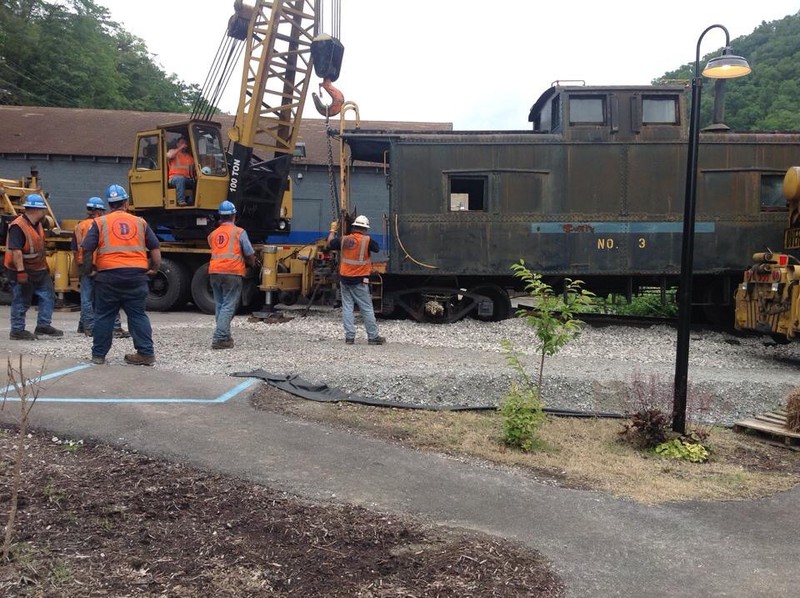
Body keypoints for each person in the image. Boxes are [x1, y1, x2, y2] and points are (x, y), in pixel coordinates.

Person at [81, 184, 161, 365]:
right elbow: (155, 248)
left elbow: (86, 249)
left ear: (109, 204)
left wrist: (89, 270)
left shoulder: (100, 222)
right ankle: (146, 354)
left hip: (108, 278)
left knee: (104, 316)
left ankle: (99, 355)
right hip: (136, 277)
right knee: (138, 315)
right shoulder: (140, 222)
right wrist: (154, 269)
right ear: (126, 202)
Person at [4, 194, 63, 340]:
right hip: (22, 270)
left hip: (38, 269)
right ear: (36, 209)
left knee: (48, 296)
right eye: (43, 209)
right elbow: (16, 251)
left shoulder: (37, 224)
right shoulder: (18, 226)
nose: (45, 212)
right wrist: (21, 271)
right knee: (22, 300)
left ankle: (43, 325)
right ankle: (17, 330)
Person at [72, 197, 129, 338]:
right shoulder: (103, 224)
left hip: (85, 265)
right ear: (98, 210)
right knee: (110, 297)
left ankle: (87, 327)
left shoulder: (78, 226)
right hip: (102, 266)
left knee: (86, 298)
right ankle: (115, 327)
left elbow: (75, 250)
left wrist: (81, 266)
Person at [326, 215, 385, 345]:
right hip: (359, 280)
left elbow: (329, 243)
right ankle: (373, 337)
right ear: (365, 229)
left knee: (347, 307)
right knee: (367, 308)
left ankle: (349, 337)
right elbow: (377, 248)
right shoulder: (368, 241)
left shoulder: (344, 239)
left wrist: (332, 230)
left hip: (345, 279)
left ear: (354, 227)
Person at [207, 200, 256, 349]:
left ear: (220, 216)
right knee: (228, 305)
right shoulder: (239, 232)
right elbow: (248, 252)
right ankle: (220, 338)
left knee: (220, 305)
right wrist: (252, 264)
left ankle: (225, 336)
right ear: (234, 215)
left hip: (214, 272)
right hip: (232, 272)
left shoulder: (213, 234)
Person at [166, 135, 195, 206]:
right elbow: (169, 156)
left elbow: (192, 170)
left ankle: (192, 201)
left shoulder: (190, 157)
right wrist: (180, 148)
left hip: (187, 179)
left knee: (196, 182)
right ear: (177, 144)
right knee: (180, 179)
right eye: (182, 143)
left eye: (185, 143)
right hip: (174, 178)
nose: (184, 145)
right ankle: (181, 200)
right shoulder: (173, 152)